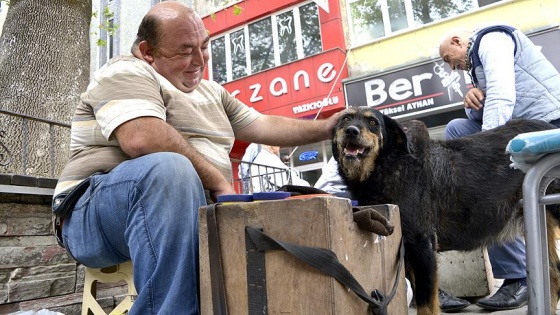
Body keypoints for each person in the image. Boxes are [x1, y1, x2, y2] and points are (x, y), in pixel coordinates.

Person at [52, 2, 340, 314]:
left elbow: (263, 124)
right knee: (169, 168)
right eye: (186, 50)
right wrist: (218, 181)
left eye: (204, 46)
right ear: (148, 51)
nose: (200, 60)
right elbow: (142, 137)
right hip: (91, 214)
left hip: (191, 210)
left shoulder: (213, 92)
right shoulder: (125, 71)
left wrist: (329, 127)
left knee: (285, 212)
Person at [439, 24, 560, 311]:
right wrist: (471, 105)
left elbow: (503, 95)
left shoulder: (492, 40)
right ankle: (516, 273)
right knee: (457, 128)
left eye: (448, 59)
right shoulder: (475, 65)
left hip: (548, 121)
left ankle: (518, 276)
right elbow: (489, 104)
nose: (452, 67)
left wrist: (484, 156)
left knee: (484, 181)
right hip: (518, 130)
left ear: (458, 41)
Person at [314, 155, 468, 312]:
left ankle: (417, 289)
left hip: (342, 200)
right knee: (407, 236)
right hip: (338, 200)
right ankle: (414, 291)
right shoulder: (358, 155)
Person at [239, 143, 309, 193]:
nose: (279, 148)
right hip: (261, 186)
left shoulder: (273, 156)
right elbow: (244, 168)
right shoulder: (256, 147)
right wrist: (247, 189)